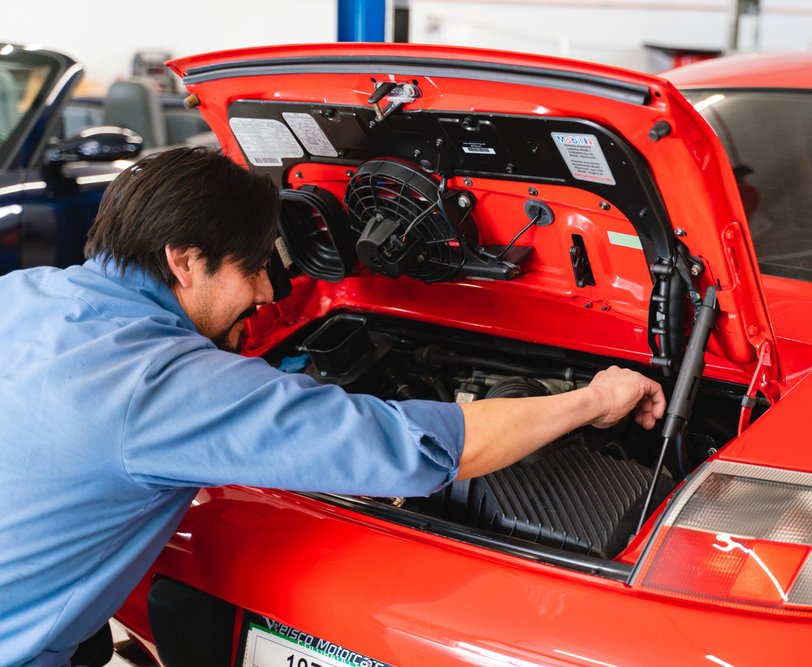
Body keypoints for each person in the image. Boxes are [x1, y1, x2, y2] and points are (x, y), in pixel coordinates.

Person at [0, 147, 665, 666]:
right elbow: (416, 450)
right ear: (185, 262)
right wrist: (594, 399)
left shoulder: (23, 293)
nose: (267, 292)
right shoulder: (159, 384)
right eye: (252, 267)